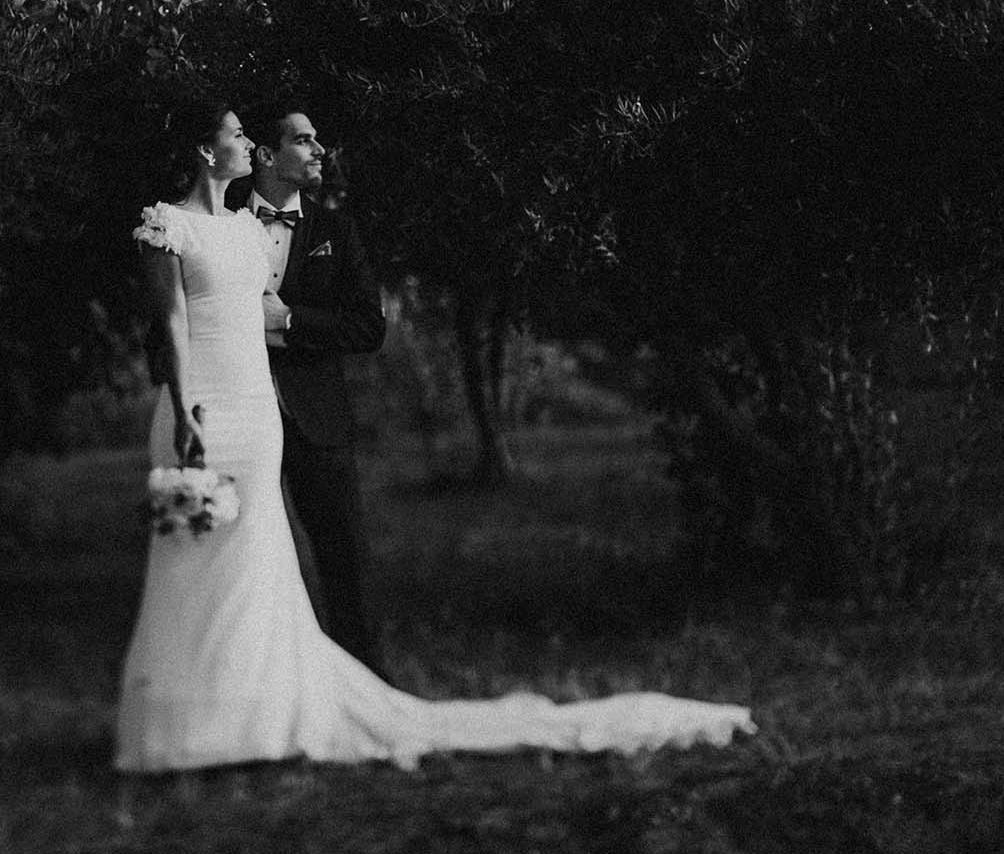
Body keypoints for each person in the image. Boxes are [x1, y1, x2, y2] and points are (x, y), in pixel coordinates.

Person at [115, 102, 754, 773]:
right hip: (216, 404)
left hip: (284, 413)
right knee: (207, 554)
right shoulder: (194, 222)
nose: (304, 147)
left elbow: (364, 325)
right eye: (269, 136)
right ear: (230, 150)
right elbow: (176, 321)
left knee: (301, 557)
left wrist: (289, 321)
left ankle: (309, 698)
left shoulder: (295, 229)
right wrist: (185, 402)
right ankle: (204, 713)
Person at [227, 105, 386, 674]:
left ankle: (365, 681)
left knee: (343, 552)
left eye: (317, 139)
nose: (319, 150)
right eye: (303, 140)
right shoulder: (220, 221)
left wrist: (290, 321)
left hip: (316, 418)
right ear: (266, 155)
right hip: (238, 415)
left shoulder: (336, 231)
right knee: (240, 554)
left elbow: (369, 327)